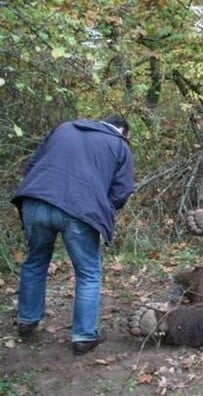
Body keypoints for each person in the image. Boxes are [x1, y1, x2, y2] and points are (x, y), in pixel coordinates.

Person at [11, 116, 135, 355]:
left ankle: (27, 320)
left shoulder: (64, 128)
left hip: (35, 200)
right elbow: (122, 192)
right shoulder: (119, 144)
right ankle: (84, 336)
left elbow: (32, 165)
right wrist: (100, 206)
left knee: (35, 261)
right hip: (80, 210)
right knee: (88, 272)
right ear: (122, 131)